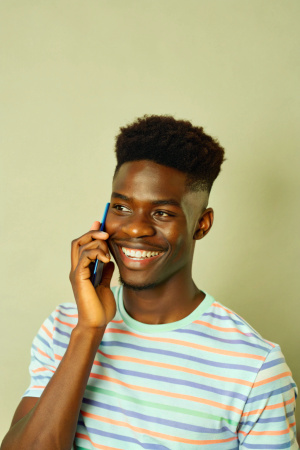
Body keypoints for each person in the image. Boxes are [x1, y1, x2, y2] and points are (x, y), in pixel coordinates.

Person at [1, 115, 298, 450]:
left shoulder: (256, 366)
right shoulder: (63, 328)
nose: (135, 228)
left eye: (162, 213)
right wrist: (89, 330)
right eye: (121, 207)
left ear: (201, 224)